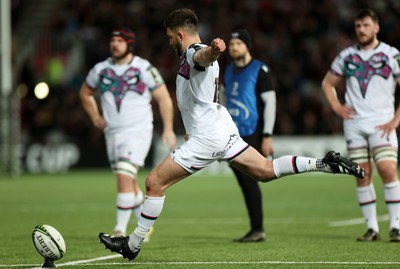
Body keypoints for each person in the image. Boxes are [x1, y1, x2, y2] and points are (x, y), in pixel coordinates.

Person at [98, 8, 364, 260]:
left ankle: (132, 245)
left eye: (170, 37)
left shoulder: (194, 52)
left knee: (155, 183)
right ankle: (325, 164)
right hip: (221, 128)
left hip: (208, 136)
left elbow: (203, 58)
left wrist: (214, 51)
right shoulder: (189, 54)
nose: (169, 42)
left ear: (180, 34)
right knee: (265, 171)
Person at [80, 27, 176, 241]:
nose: (115, 44)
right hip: (112, 133)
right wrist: (95, 117)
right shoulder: (100, 69)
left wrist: (168, 128)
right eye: (112, 40)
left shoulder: (143, 68)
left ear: (129, 44)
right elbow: (85, 93)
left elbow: (163, 97)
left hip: (138, 131)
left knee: (124, 176)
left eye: (120, 40)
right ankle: (145, 226)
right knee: (129, 181)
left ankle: (119, 229)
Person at [322, 8, 400, 242]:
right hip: (355, 124)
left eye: (366, 25)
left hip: (382, 123)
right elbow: (328, 84)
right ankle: (372, 228)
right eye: (358, 26)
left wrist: (396, 119)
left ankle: (396, 226)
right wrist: (337, 108)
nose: (361, 30)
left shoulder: (391, 54)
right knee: (361, 174)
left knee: (387, 170)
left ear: (376, 27)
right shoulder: (346, 56)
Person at [222, 29, 276, 243]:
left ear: (247, 46)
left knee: (250, 180)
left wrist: (267, 135)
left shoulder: (259, 69)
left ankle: (258, 229)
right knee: (245, 182)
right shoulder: (227, 70)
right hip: (231, 133)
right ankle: (256, 228)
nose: (234, 47)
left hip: (252, 131)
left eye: (238, 43)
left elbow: (270, 103)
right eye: (231, 43)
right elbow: (224, 100)